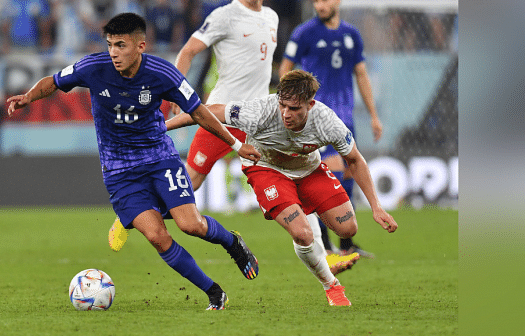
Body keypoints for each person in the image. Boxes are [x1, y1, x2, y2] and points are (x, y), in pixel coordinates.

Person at [107, 0, 358, 275]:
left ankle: (326, 255)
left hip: (262, 119)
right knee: (189, 185)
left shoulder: (271, 16)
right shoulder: (225, 16)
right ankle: (129, 212)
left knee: (299, 173)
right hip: (222, 116)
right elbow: (187, 51)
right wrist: (176, 92)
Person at [6, 13, 261, 310]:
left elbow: (199, 112)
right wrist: (29, 97)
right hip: (119, 171)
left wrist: (236, 144)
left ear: (140, 46)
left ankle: (233, 243)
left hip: (160, 159)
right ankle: (214, 292)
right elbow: (53, 81)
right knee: (157, 236)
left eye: (121, 45)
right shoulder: (93, 67)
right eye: (111, 44)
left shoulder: (163, 73)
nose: (114, 52)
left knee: (190, 225)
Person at [165, 69, 398, 306]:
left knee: (348, 229)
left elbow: (355, 160)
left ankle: (307, 210)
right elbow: (206, 112)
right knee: (302, 233)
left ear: (310, 104)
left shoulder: (328, 122)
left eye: (294, 109)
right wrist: (163, 127)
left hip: (308, 171)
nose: (286, 113)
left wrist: (376, 207)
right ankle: (332, 286)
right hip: (266, 169)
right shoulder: (260, 111)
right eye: (283, 105)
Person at [279, 0, 383, 260]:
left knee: (349, 174)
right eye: (315, 1)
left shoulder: (352, 35)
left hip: (345, 117)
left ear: (337, 0)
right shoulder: (304, 33)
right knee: (328, 173)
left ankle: (346, 244)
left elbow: (361, 74)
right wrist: (289, 105)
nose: (320, 5)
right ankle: (325, 246)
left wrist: (373, 115)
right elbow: (285, 69)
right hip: (315, 119)